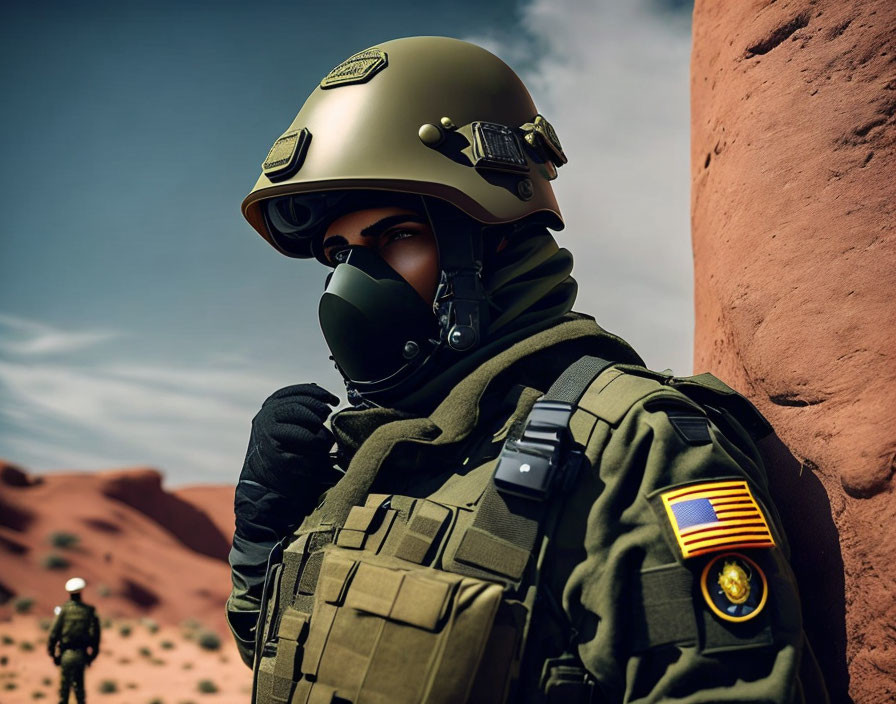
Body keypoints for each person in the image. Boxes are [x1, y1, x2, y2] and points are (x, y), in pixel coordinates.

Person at [227, 36, 828, 703]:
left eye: (396, 236)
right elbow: (296, 662)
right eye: (338, 253)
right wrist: (263, 537)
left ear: (495, 240)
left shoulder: (630, 442)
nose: (351, 284)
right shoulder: (380, 455)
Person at [47, 577, 100, 704]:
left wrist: (54, 655)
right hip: (81, 654)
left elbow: (53, 634)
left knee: (64, 691)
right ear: (81, 592)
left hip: (66, 654)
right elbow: (95, 636)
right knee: (79, 691)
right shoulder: (88, 611)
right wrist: (91, 656)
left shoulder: (63, 611)